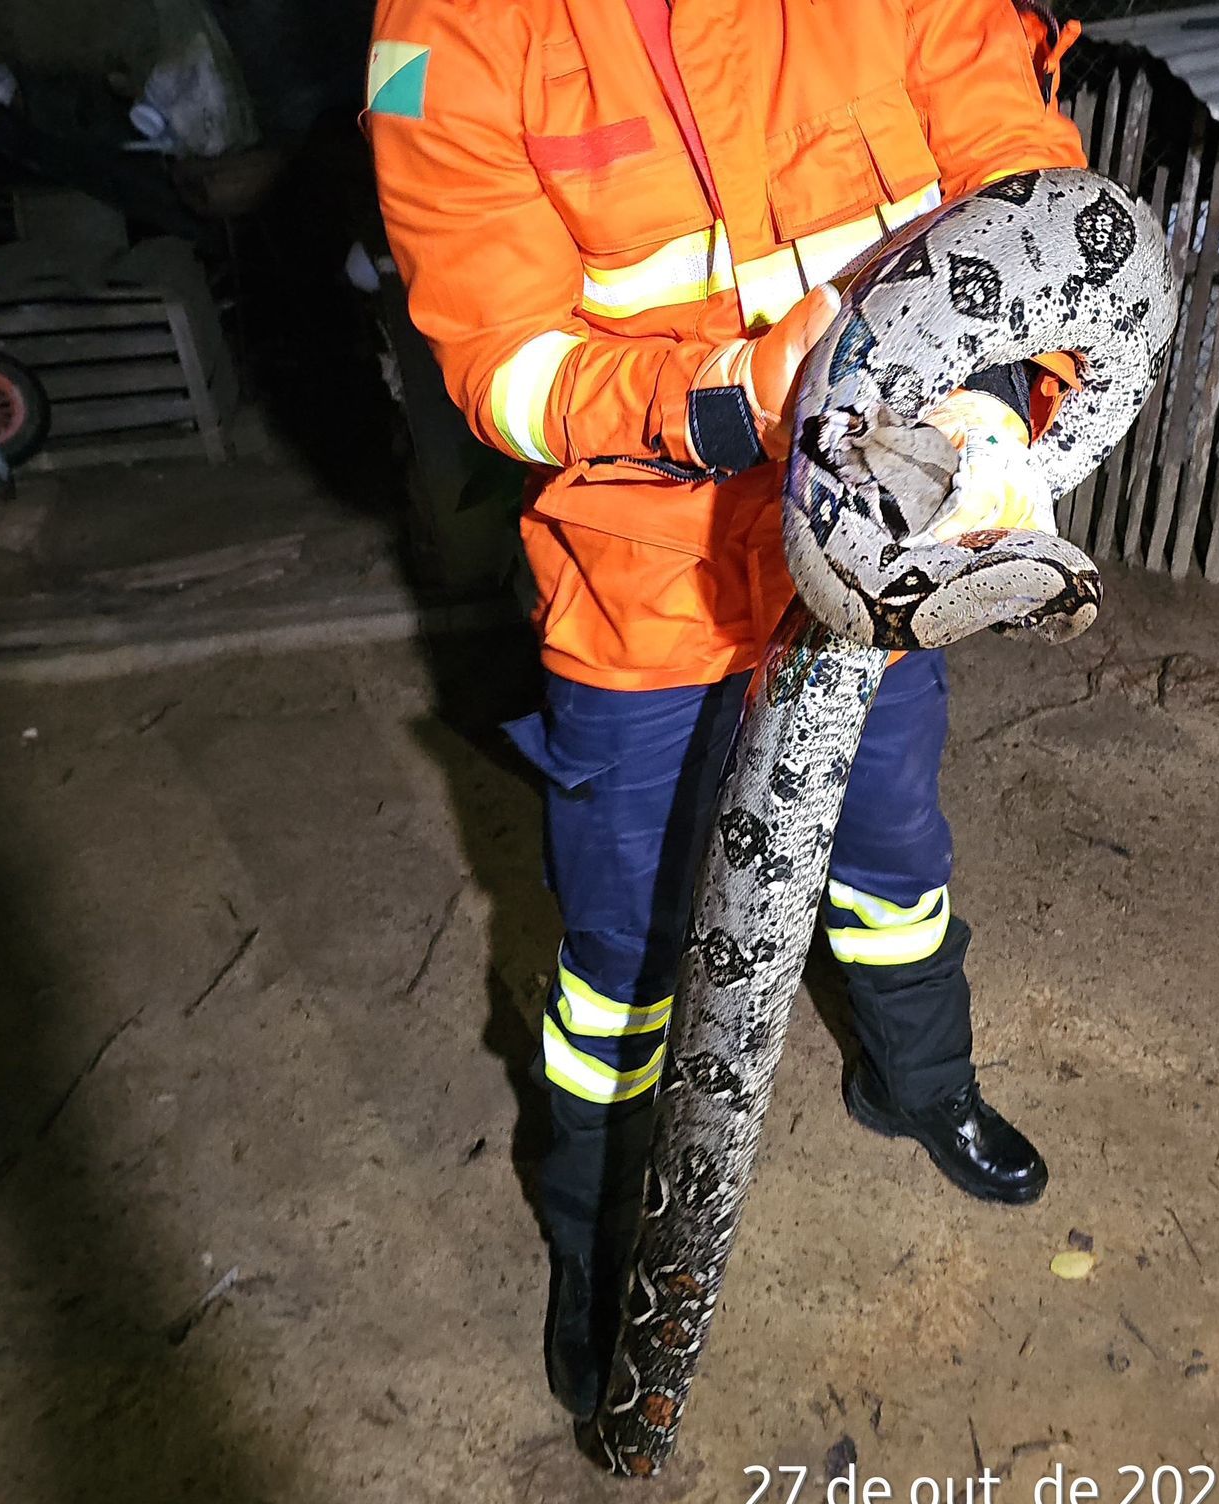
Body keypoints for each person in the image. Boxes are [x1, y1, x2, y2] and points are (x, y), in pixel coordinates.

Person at [368, 0, 1087, 1417]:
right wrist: (731, 397)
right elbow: (497, 363)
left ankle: (917, 1080)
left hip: (871, 538)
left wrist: (999, 384)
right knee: (622, 952)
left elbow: (1014, 162)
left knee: (891, 854)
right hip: (641, 576)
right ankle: (605, 1238)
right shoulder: (444, 33)